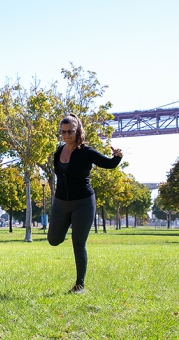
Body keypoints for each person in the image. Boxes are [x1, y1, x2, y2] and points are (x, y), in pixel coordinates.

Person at [47, 113, 123, 294]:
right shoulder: (59, 150)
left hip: (83, 202)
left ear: (77, 130)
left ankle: (79, 285)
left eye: (70, 131)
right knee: (53, 240)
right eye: (63, 132)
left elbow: (109, 164)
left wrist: (117, 157)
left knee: (78, 244)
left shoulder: (87, 152)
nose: (66, 135)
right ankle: (68, 227)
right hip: (60, 202)